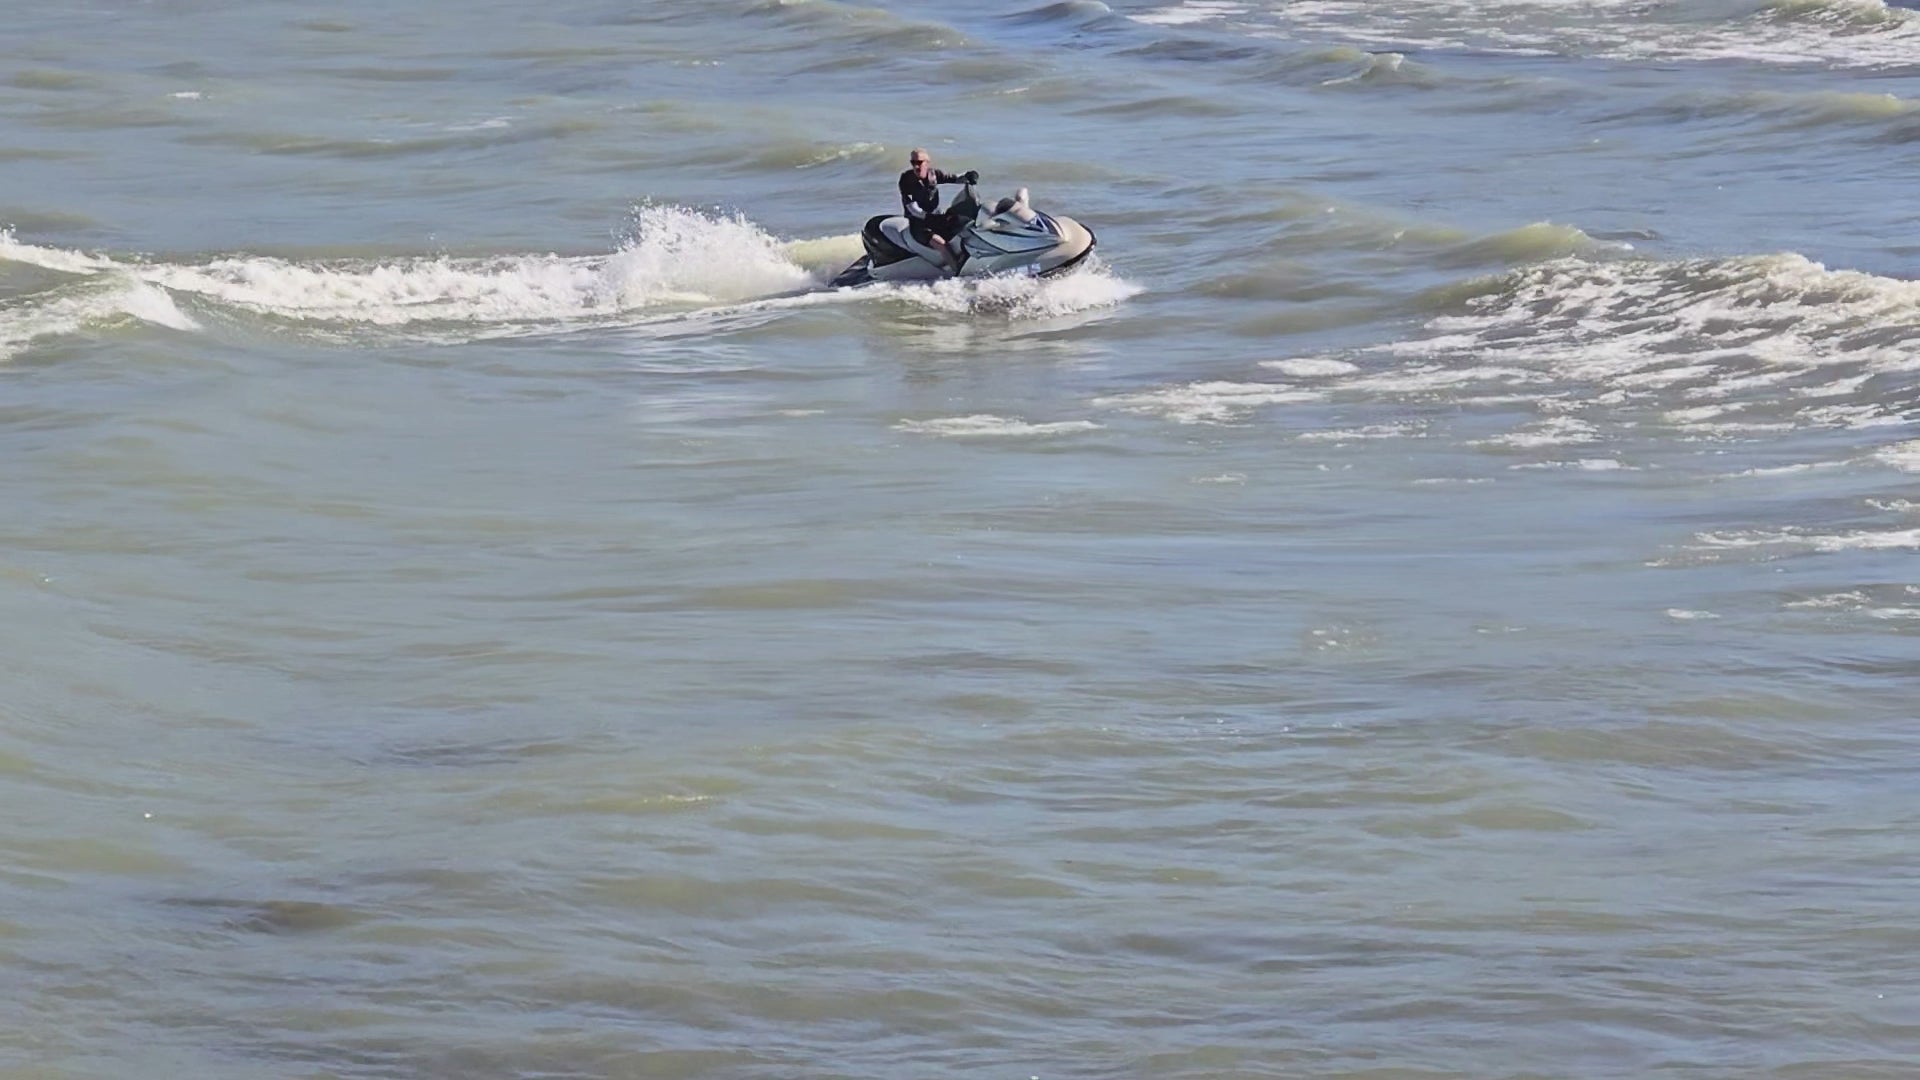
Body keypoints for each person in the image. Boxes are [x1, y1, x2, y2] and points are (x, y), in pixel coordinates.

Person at [898, 148, 978, 269]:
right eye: (913, 162)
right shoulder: (906, 180)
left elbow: (955, 178)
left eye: (919, 162)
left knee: (964, 224)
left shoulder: (934, 174)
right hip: (918, 223)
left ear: (927, 163)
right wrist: (930, 218)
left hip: (936, 218)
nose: (916, 166)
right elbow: (913, 209)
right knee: (940, 243)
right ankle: (957, 272)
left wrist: (969, 176)